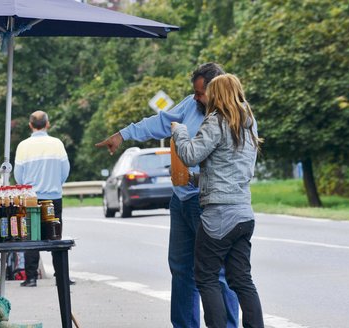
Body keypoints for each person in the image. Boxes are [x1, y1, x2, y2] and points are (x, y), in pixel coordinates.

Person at [95, 63, 239, 327]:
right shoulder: (190, 105)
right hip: (182, 199)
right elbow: (161, 122)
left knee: (216, 273)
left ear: (217, 88)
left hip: (209, 203)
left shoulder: (231, 117)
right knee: (181, 269)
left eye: (200, 93)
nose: (196, 98)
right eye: (194, 92)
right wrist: (124, 134)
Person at [171, 74, 264, 328]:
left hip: (219, 217)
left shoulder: (217, 120)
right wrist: (199, 179)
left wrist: (179, 131)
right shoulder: (247, 123)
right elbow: (231, 169)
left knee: (206, 278)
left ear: (218, 94)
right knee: (242, 279)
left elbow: (190, 154)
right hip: (244, 213)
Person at [14, 110, 71, 287]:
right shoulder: (57, 144)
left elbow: (18, 176)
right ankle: (62, 277)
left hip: (31, 199)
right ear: (48, 124)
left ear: (30, 125)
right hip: (54, 197)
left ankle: (31, 278)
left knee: (32, 237)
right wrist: (55, 184)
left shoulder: (23, 146)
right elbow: (65, 171)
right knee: (55, 235)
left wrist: (30, 189)